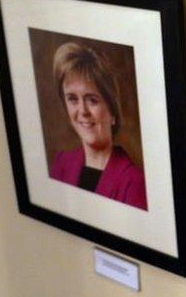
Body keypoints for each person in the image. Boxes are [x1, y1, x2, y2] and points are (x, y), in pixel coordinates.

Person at [48, 42, 147, 210]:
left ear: (112, 112)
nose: (82, 111)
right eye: (72, 99)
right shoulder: (62, 164)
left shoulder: (134, 183)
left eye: (92, 100)